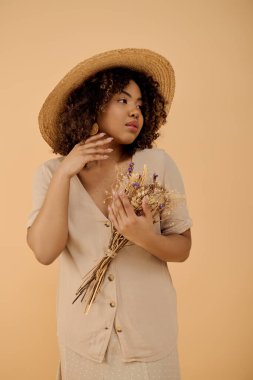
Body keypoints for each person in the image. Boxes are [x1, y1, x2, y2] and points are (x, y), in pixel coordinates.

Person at [26, 48, 193, 380]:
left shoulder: (157, 165)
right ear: (92, 104)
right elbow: (44, 252)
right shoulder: (52, 173)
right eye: (122, 100)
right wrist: (64, 175)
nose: (135, 111)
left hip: (149, 339)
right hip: (84, 344)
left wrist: (144, 237)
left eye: (141, 105)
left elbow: (183, 248)